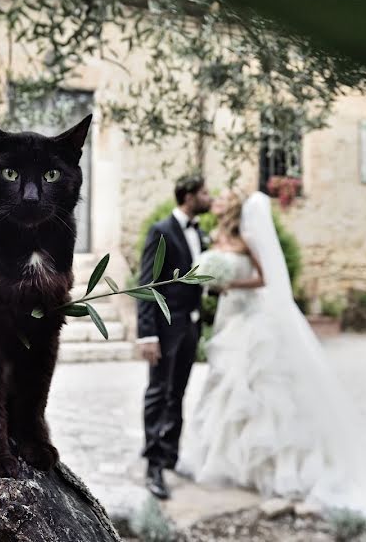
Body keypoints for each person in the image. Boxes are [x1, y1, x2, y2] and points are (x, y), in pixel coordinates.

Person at [179, 190, 366, 522]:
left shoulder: (247, 237)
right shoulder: (217, 235)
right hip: (230, 318)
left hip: (251, 317)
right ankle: (237, 464)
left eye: (222, 198)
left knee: (258, 390)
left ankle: (273, 468)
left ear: (234, 208)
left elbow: (265, 279)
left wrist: (232, 283)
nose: (216, 200)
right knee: (228, 387)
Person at [137, 174, 212, 500]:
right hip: (166, 328)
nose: (210, 197)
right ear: (189, 195)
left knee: (178, 392)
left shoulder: (202, 233)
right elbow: (145, 285)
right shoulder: (161, 231)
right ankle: (153, 465)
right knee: (159, 392)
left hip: (191, 326)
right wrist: (148, 334)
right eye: (205, 193)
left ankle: (170, 455)